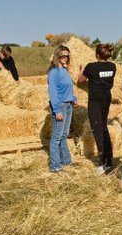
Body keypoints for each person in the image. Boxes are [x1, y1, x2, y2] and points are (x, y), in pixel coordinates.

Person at [78, 43, 117, 175]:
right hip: (106, 99)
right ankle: (109, 160)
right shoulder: (113, 66)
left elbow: (81, 80)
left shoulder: (91, 67)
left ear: (97, 54)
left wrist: (81, 70)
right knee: (103, 127)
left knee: (97, 130)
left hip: (95, 101)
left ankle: (103, 163)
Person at [47, 45, 78, 173]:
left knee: (64, 135)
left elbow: (66, 89)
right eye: (63, 56)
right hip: (60, 106)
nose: (66, 58)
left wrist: (73, 98)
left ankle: (66, 161)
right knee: (56, 137)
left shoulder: (65, 71)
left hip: (68, 105)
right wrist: (57, 110)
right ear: (57, 56)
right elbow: (53, 93)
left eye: (67, 56)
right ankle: (55, 166)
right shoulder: (53, 73)